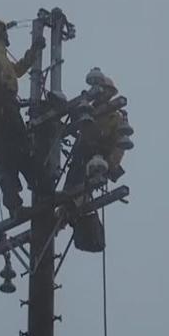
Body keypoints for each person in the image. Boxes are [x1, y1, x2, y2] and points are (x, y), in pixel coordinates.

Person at [0, 18, 45, 216]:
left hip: (7, 104)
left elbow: (19, 69)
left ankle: (41, 188)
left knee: (22, 149)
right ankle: (15, 204)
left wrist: (34, 50)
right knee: (7, 156)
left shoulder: (3, 59)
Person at [63, 72, 127, 252]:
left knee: (79, 193)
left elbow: (119, 146)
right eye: (98, 89)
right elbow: (77, 125)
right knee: (70, 192)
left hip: (97, 159)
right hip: (81, 156)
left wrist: (110, 164)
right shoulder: (87, 110)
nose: (100, 93)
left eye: (104, 90)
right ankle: (66, 214)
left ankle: (72, 214)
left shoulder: (115, 117)